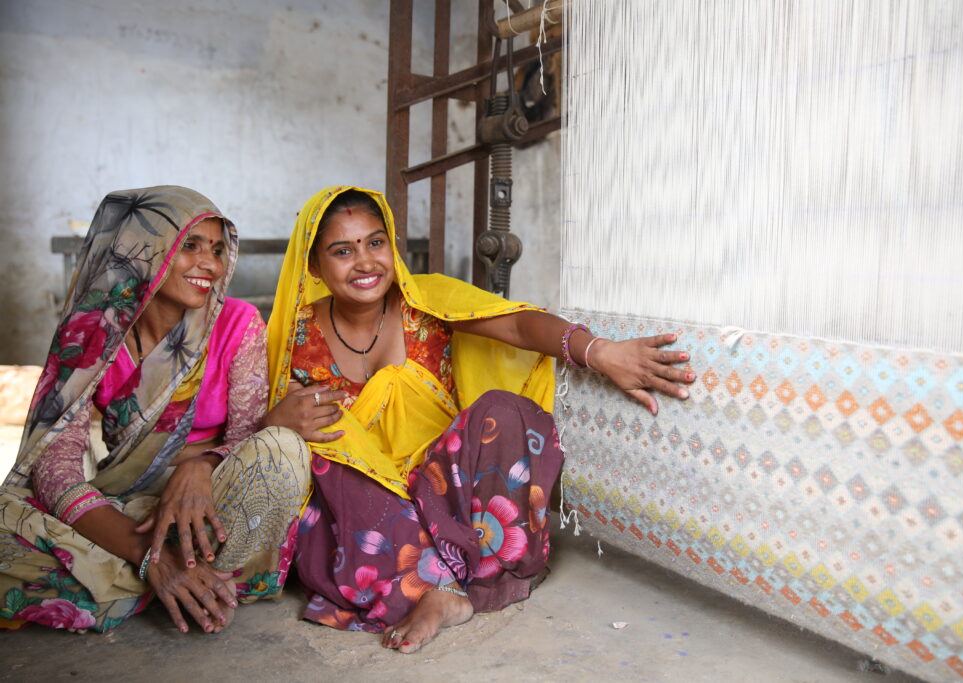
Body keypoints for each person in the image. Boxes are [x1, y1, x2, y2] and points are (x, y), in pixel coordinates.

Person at [265, 186, 695, 653]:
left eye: (375, 242)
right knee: (327, 447)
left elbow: (515, 324)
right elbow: (247, 440)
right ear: (313, 267)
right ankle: (437, 588)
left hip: (443, 485)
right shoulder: (296, 336)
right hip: (366, 508)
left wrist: (599, 352)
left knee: (504, 411)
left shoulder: (425, 300)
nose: (366, 262)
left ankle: (458, 578)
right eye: (342, 251)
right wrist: (277, 418)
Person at [0, 186, 310, 634]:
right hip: (131, 506)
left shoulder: (238, 324)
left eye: (218, 249)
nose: (211, 264)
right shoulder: (90, 333)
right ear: (142, 250)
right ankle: (181, 577)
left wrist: (200, 466)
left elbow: (248, 435)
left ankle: (152, 579)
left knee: (282, 449)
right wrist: (151, 555)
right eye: (190, 245)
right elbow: (57, 467)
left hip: (215, 504)